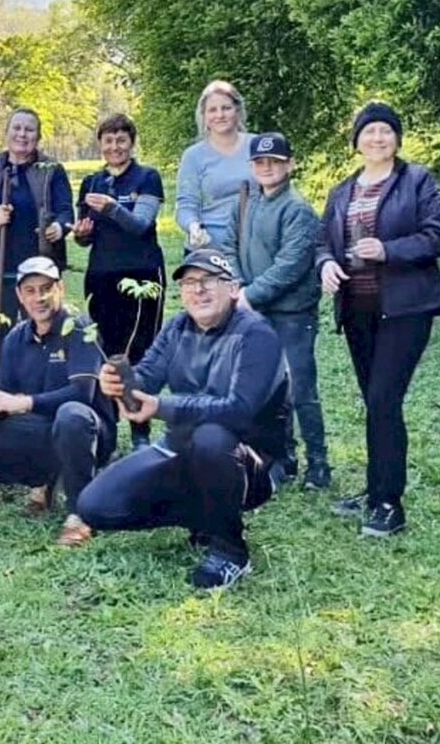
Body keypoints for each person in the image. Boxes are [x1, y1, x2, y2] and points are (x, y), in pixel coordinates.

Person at [77, 250, 287, 591]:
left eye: (208, 281)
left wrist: (161, 407)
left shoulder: (257, 334)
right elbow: (147, 375)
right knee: (95, 505)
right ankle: (206, 514)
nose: (198, 290)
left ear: (233, 289)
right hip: (180, 449)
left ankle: (230, 551)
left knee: (211, 436)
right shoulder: (176, 326)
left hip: (250, 460)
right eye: (189, 283)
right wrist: (120, 382)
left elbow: (240, 410)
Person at [318, 102, 440, 538]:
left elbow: (439, 235)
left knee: (383, 400)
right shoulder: (342, 191)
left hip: (405, 309)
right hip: (357, 310)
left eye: (386, 132)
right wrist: (324, 265)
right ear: (356, 141)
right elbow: (324, 242)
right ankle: (374, 489)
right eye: (369, 131)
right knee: (374, 403)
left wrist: (389, 250)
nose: (377, 139)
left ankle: (390, 503)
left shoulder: (417, 181)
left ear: (397, 139)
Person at [0, 257, 116, 546]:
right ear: (20, 297)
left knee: (71, 414)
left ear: (60, 289)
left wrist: (23, 403)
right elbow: (8, 400)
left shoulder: (80, 329)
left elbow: (81, 394)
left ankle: (80, 514)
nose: (40, 297)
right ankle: (44, 479)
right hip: (40, 434)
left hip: (88, 431)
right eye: (31, 291)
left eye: (46, 288)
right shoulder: (15, 338)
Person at [221, 132, 330, 489]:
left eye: (275, 161)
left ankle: (319, 464)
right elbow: (229, 244)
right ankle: (283, 458)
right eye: (260, 162)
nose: (267, 168)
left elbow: (290, 266)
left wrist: (249, 296)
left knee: (300, 388)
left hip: (292, 315)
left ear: (290, 164)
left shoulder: (297, 209)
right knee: (269, 389)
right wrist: (236, 284)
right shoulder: (247, 200)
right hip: (255, 310)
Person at [73, 113, 166, 450]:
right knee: (105, 352)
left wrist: (113, 209)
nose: (114, 147)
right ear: (100, 144)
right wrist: (81, 234)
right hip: (100, 275)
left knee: (137, 355)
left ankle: (141, 434)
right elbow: (83, 236)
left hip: (141, 275)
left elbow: (141, 224)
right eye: (108, 140)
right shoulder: (91, 183)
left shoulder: (147, 178)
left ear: (131, 142)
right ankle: (107, 430)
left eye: (121, 140)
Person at [0, 107, 73, 330]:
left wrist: (59, 227)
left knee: (43, 333)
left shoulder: (51, 170)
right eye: (16, 128)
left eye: (29, 130)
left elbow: (66, 211)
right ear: (7, 132)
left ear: (38, 137)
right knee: (0, 339)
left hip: (39, 269)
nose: (22, 134)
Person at [175, 80, 255, 250]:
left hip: (255, 243)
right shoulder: (193, 156)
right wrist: (193, 227)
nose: (220, 115)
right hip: (209, 246)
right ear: (204, 116)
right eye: (212, 110)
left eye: (226, 108)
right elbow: (186, 205)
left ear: (238, 111)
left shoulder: (257, 146)